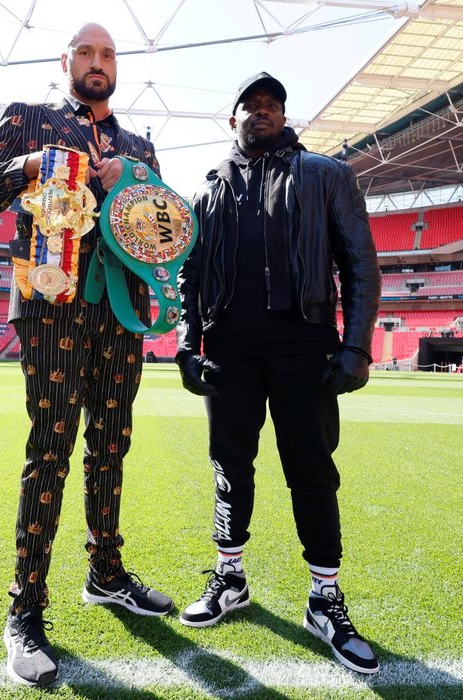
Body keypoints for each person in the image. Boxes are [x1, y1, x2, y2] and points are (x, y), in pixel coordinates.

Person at [0, 23, 173, 688]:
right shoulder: (29, 120)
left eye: (108, 54)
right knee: (50, 445)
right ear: (66, 62)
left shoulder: (141, 145)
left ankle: (106, 574)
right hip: (50, 302)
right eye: (86, 52)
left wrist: (133, 182)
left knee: (112, 443)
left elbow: (157, 229)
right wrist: (25, 167)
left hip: (121, 307)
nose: (98, 62)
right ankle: (24, 613)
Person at [174, 72, 382, 675]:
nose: (261, 113)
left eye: (272, 106)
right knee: (230, 468)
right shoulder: (207, 189)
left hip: (305, 348)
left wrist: (356, 347)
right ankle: (230, 577)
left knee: (311, 471)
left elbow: (359, 263)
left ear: (286, 116)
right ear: (231, 119)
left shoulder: (326, 175)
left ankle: (325, 597)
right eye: (250, 106)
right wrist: (189, 347)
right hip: (229, 353)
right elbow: (188, 276)